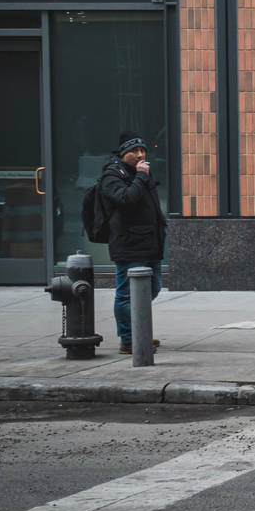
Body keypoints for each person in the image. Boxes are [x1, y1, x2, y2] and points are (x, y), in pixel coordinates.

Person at [97, 131, 167, 355]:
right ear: (124, 153)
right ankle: (129, 339)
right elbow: (126, 199)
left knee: (152, 288)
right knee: (127, 294)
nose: (140, 154)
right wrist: (140, 177)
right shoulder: (112, 175)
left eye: (143, 150)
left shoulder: (142, 173)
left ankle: (140, 332)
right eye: (134, 151)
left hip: (149, 242)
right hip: (129, 244)